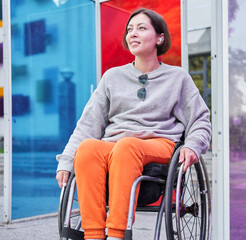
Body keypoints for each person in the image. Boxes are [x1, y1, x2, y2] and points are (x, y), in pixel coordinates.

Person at [56, 8, 211, 240]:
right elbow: (88, 124)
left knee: (128, 145)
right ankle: (94, 235)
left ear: (159, 38)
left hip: (159, 143)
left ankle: (118, 234)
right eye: (130, 29)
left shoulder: (177, 78)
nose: (133, 34)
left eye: (141, 28)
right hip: (116, 146)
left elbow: (200, 119)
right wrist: (67, 161)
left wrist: (193, 145)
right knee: (88, 148)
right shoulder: (112, 77)